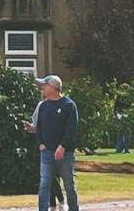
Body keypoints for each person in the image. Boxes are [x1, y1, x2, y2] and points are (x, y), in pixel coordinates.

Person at [22, 75, 79, 211]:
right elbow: (40, 128)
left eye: (44, 85)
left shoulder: (69, 105)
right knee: (44, 184)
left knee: (69, 184)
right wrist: (40, 143)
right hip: (46, 152)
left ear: (53, 88)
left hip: (65, 153)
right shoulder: (43, 106)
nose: (42, 88)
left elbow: (72, 129)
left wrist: (63, 146)